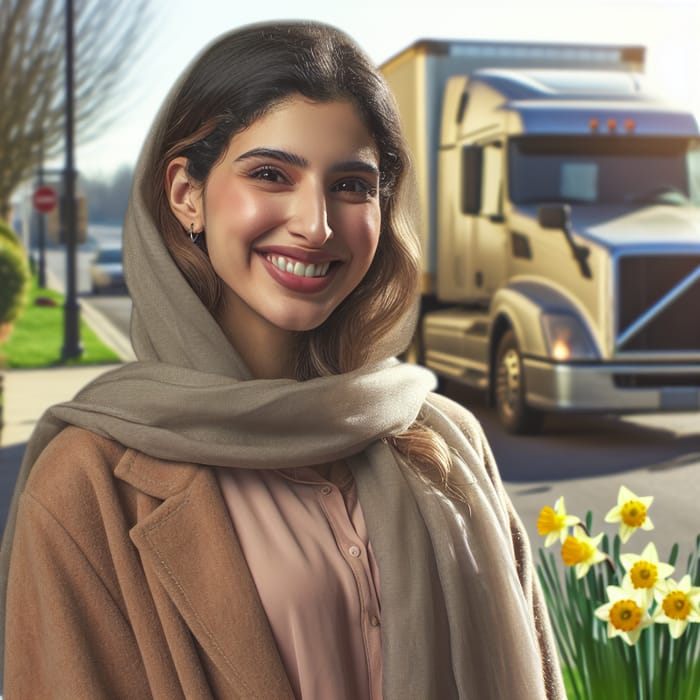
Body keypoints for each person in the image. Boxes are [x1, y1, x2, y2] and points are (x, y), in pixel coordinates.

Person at [0, 21, 565, 700]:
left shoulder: (447, 441)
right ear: (186, 194)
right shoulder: (85, 487)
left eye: (352, 186)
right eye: (271, 174)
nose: (316, 223)